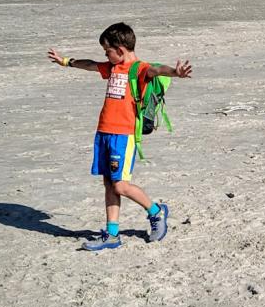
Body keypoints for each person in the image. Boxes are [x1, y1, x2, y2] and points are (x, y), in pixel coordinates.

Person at [47, 22, 193, 251]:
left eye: (107, 51)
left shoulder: (139, 69)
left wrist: (176, 73)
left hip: (123, 135)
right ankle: (112, 234)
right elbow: (92, 65)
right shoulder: (113, 67)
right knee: (109, 183)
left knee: (121, 186)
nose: (105, 56)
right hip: (104, 132)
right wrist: (66, 61)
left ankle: (156, 212)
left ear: (120, 49)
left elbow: (158, 70)